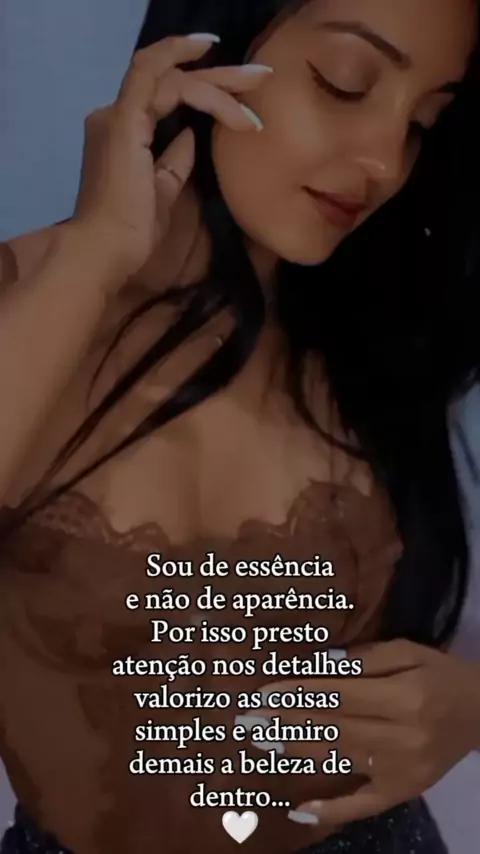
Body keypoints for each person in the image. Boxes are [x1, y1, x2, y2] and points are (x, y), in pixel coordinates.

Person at [0, 0, 480, 852]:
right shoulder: (26, 300)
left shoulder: (376, 330)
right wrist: (97, 252)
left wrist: (471, 708)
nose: (383, 161)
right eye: (344, 82)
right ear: (202, 52)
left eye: (423, 124)